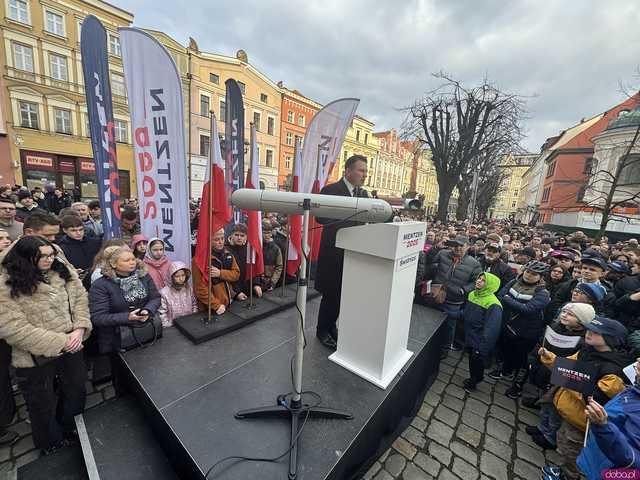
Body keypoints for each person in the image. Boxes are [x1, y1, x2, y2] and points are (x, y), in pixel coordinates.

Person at [0, 236, 92, 454]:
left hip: (73, 344)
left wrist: (79, 328)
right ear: (24, 257)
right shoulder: (6, 283)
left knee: (76, 390)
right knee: (41, 403)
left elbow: (80, 297)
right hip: (34, 356)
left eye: (51, 254)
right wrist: (61, 341)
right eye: (42, 256)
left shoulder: (61, 268)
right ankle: (50, 443)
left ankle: (70, 427)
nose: (49, 259)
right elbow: (13, 327)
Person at [538, 316, 631, 480]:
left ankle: (569, 476)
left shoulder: (613, 370)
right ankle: (563, 470)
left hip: (581, 421)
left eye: (596, 332)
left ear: (610, 339)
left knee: (572, 451)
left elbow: (599, 398)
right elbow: (566, 366)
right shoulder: (586, 351)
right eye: (589, 329)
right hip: (569, 411)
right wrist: (549, 357)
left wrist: (570, 381)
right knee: (563, 443)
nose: (589, 333)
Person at [315, 154, 369, 349]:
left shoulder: (363, 195)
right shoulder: (330, 190)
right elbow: (319, 218)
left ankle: (331, 326)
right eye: (361, 170)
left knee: (343, 295)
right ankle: (322, 330)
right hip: (333, 255)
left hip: (353, 255)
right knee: (330, 295)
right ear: (347, 171)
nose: (365, 175)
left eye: (365, 171)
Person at [527, 303, 595, 449]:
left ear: (582, 320)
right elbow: (542, 343)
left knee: (554, 410)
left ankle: (550, 437)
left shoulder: (583, 342)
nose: (564, 315)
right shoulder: (557, 327)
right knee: (544, 404)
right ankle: (542, 428)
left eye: (570, 314)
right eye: (564, 311)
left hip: (559, 379)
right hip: (544, 371)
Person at [88, 247, 160, 373]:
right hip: (118, 340)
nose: (132, 262)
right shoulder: (100, 285)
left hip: (146, 331)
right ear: (113, 264)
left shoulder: (143, 276)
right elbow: (98, 317)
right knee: (124, 376)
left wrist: (148, 310)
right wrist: (127, 317)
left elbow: (155, 298)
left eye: (133, 259)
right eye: (126, 260)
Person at [492, 260, 551, 399]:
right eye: (528, 271)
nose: (529, 275)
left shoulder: (542, 292)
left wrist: (508, 299)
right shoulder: (514, 282)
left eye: (534, 274)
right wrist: (510, 301)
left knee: (522, 358)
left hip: (526, 331)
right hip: (508, 325)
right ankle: (505, 371)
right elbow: (500, 296)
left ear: (540, 277)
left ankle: (517, 386)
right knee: (506, 351)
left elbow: (528, 310)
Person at [576, 358, 640, 479]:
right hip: (595, 460)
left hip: (608, 473)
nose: (638, 359)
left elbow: (632, 459)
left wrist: (603, 426)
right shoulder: (634, 390)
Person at [422, 235, 483, 357]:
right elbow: (429, 265)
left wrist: (462, 291)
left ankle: (444, 349)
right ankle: (426, 344)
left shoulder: (474, 264)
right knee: (429, 321)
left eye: (461, 245)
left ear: (468, 247)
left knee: (449, 326)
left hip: (453, 301)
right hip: (434, 295)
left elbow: (475, 282)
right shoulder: (443, 253)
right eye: (455, 245)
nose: (458, 248)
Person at [463, 272, 502, 393]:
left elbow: (491, 330)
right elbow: (466, 314)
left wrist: (482, 348)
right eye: (479, 278)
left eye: (483, 280)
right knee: (472, 360)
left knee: (477, 362)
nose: (479, 281)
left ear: (491, 285)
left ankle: (475, 381)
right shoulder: (472, 294)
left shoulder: (494, 304)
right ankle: (473, 377)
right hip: (470, 335)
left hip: (479, 340)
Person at [192, 228, 240, 314]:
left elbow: (236, 274)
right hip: (209, 309)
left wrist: (220, 273)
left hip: (228, 303)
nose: (221, 242)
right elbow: (200, 289)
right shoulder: (199, 260)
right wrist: (216, 305)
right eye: (216, 239)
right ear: (208, 240)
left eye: (222, 238)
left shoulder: (228, 254)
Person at [57, 215, 102, 285]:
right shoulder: (61, 247)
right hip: (77, 282)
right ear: (65, 230)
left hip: (97, 279)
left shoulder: (95, 242)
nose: (78, 233)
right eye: (73, 230)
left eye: (81, 229)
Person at [227, 223, 262, 300]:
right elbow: (227, 275)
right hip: (234, 293)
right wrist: (237, 292)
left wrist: (256, 284)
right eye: (236, 235)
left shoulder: (249, 249)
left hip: (249, 290)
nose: (239, 238)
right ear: (231, 235)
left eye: (242, 236)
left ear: (246, 236)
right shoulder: (225, 250)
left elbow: (254, 267)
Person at [157, 261, 198, 327]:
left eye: (183, 275)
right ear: (171, 277)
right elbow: (162, 313)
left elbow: (194, 305)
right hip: (173, 326)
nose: (181, 279)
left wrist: (193, 319)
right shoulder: (164, 293)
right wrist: (168, 326)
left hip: (190, 323)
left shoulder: (189, 289)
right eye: (177, 276)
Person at [259, 222, 283, 292]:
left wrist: (273, 282)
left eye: (269, 233)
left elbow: (279, 266)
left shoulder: (276, 248)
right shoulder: (257, 247)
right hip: (257, 281)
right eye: (264, 233)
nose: (267, 235)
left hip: (269, 282)